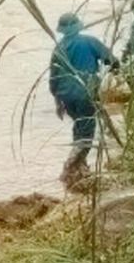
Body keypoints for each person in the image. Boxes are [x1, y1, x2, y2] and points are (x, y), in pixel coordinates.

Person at [49, 13, 118, 190]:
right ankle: (70, 166)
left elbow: (53, 79)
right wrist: (114, 74)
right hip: (86, 93)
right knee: (87, 133)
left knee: (79, 127)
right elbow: (113, 61)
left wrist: (58, 102)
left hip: (66, 96)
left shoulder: (58, 49)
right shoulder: (89, 42)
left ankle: (80, 167)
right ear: (78, 26)